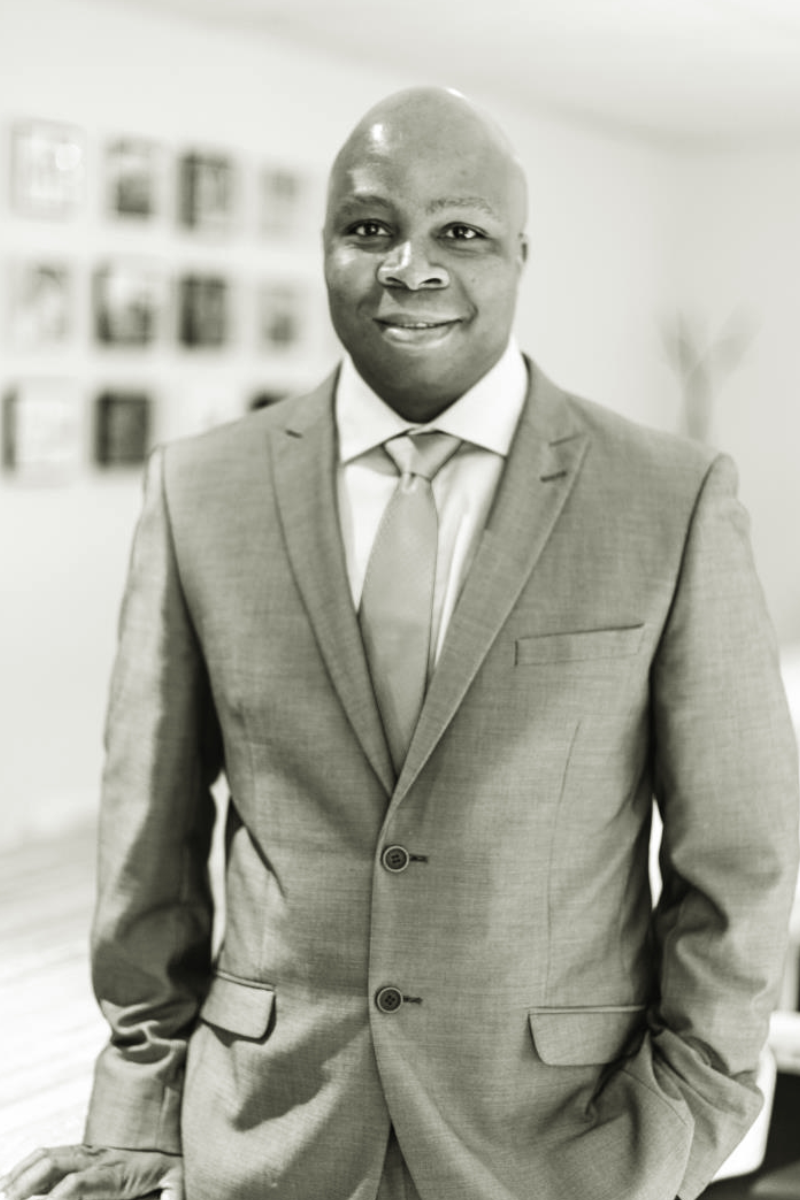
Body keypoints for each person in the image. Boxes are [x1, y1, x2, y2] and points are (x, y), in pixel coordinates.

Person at [2, 85, 798, 1200]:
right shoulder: (201, 491)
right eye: (369, 227)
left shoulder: (669, 497)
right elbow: (150, 847)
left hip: (562, 1143)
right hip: (266, 1132)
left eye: (460, 231)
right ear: (326, 245)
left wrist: (686, 1116)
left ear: (520, 256)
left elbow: (739, 855)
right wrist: (138, 1112)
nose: (410, 267)